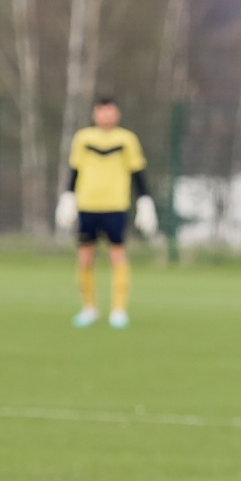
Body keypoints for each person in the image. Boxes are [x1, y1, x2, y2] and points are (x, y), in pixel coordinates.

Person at [55, 97, 157, 329]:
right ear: (95, 114)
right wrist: (68, 196)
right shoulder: (83, 138)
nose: (106, 116)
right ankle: (89, 308)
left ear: (117, 113)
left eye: (110, 111)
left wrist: (145, 200)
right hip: (88, 205)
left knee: (118, 255)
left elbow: (137, 171)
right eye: (102, 111)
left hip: (115, 205)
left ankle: (119, 310)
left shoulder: (127, 139)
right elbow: (75, 169)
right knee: (85, 256)